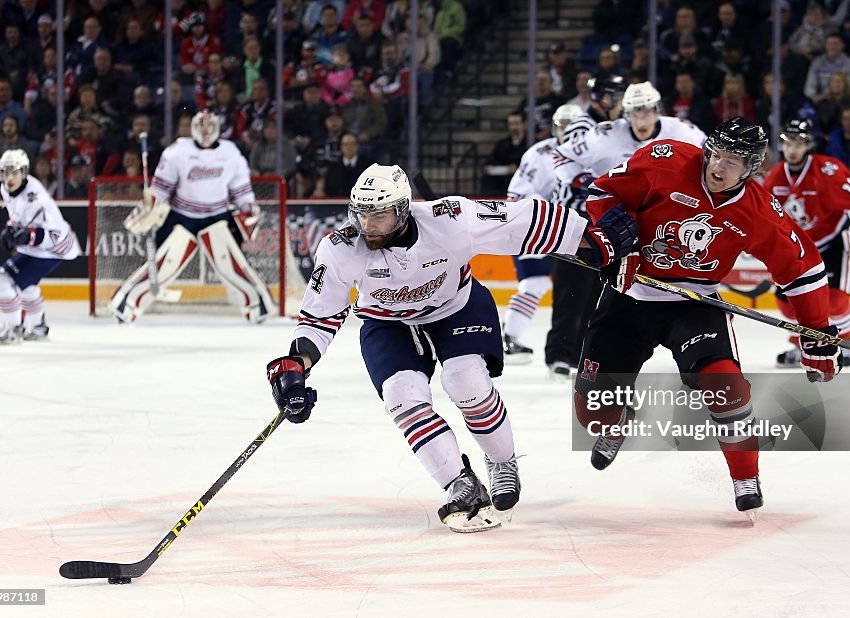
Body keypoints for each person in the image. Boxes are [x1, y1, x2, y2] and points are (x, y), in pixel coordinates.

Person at [264, 163, 636, 532]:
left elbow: (522, 218)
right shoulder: (340, 248)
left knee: (465, 380)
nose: (368, 226)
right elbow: (320, 317)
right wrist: (297, 364)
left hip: (456, 308)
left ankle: (502, 461)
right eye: (361, 215)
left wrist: (588, 236)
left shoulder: (451, 220)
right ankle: (460, 483)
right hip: (387, 324)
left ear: (403, 209)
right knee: (401, 394)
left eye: (379, 216)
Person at [574, 117, 839, 518]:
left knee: (724, 383)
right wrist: (617, 244)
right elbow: (603, 193)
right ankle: (617, 420)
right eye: (715, 154)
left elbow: (802, 268)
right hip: (629, 296)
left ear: (750, 168)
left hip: (695, 304)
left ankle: (745, 478)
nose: (717, 166)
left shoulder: (758, 209)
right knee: (591, 412)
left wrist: (816, 332)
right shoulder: (663, 161)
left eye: (732, 161)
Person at [545, 81, 707, 378]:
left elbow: (713, 164)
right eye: (635, 112)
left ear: (658, 110)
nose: (642, 119)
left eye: (647, 111)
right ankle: (571, 353)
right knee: (591, 289)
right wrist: (585, 181)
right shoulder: (605, 135)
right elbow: (560, 157)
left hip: (657, 222)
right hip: (610, 221)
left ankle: (696, 347)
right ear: (625, 113)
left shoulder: (684, 131)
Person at [108, 111, 274, 324]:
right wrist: (150, 205)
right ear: (194, 128)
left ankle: (258, 309)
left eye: (210, 127)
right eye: (201, 126)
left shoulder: (230, 152)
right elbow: (161, 189)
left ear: (217, 129)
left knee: (231, 266)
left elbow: (241, 189)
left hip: (218, 216)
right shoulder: (177, 151)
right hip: (183, 217)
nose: (205, 132)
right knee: (164, 265)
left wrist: (248, 207)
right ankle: (125, 306)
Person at [763, 119, 850, 369]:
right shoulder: (774, 179)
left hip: (833, 241)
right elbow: (764, 218)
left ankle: (845, 344)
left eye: (799, 143)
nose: (792, 149)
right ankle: (802, 345)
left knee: (835, 301)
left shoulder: (828, 170)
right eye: (787, 143)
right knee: (788, 301)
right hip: (800, 248)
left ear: (808, 145)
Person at [542, 73, 626, 377]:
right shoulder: (582, 125)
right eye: (611, 95)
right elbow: (563, 162)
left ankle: (577, 351)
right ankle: (559, 353)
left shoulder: (616, 128)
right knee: (570, 290)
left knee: (593, 290)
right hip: (572, 219)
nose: (616, 102)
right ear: (598, 97)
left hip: (597, 220)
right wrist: (592, 183)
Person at [502, 103, 582, 364]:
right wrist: (547, 212)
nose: (569, 132)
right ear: (555, 127)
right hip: (536, 228)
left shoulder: (591, 153)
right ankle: (510, 337)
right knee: (534, 283)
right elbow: (516, 194)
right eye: (563, 127)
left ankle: (578, 345)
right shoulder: (539, 153)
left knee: (577, 290)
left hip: (573, 232)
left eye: (575, 127)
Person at [0, 149, 80, 343]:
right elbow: (17, 215)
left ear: (24, 172)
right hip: (38, 246)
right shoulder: (5, 188)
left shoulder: (37, 200)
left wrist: (29, 236)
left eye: (14, 172)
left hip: (54, 246)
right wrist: (11, 229)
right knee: (26, 283)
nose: (9, 177)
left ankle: (12, 330)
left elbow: (53, 235)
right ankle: (38, 326)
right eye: (5, 172)